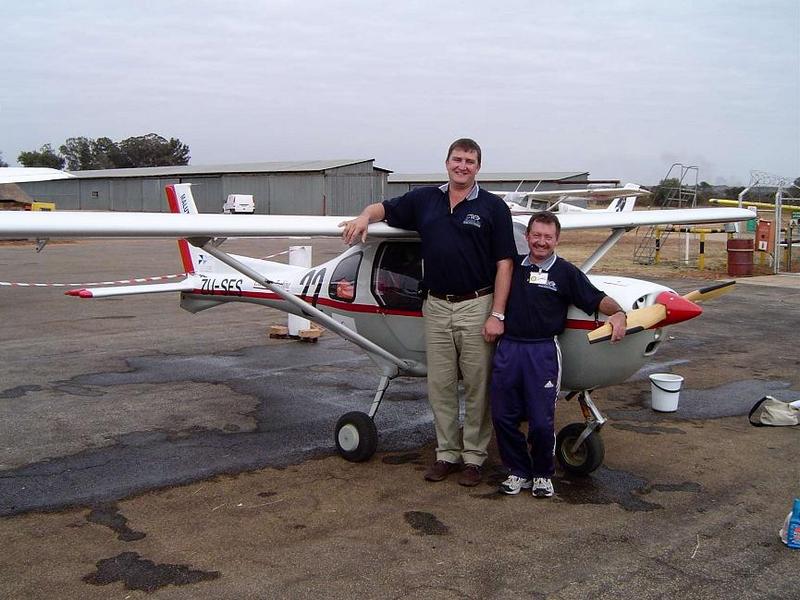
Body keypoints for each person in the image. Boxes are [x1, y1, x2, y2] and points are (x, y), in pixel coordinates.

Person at [340, 138, 515, 486]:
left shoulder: (493, 207)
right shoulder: (424, 199)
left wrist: (497, 314)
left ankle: (474, 458)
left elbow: (505, 263)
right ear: (447, 163)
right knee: (440, 385)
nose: (462, 166)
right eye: (457, 159)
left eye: (469, 161)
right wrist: (364, 216)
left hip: (476, 304)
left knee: (478, 385)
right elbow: (383, 209)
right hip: (435, 305)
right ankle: (446, 453)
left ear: (478, 167)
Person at [491, 210, 627, 498]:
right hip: (509, 347)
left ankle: (542, 473)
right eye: (536, 235)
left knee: (541, 421)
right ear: (527, 236)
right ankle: (518, 471)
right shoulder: (511, 267)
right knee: (503, 416)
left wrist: (618, 313)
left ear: (557, 240)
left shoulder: (565, 272)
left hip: (542, 350)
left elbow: (596, 298)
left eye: (548, 237)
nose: (541, 242)